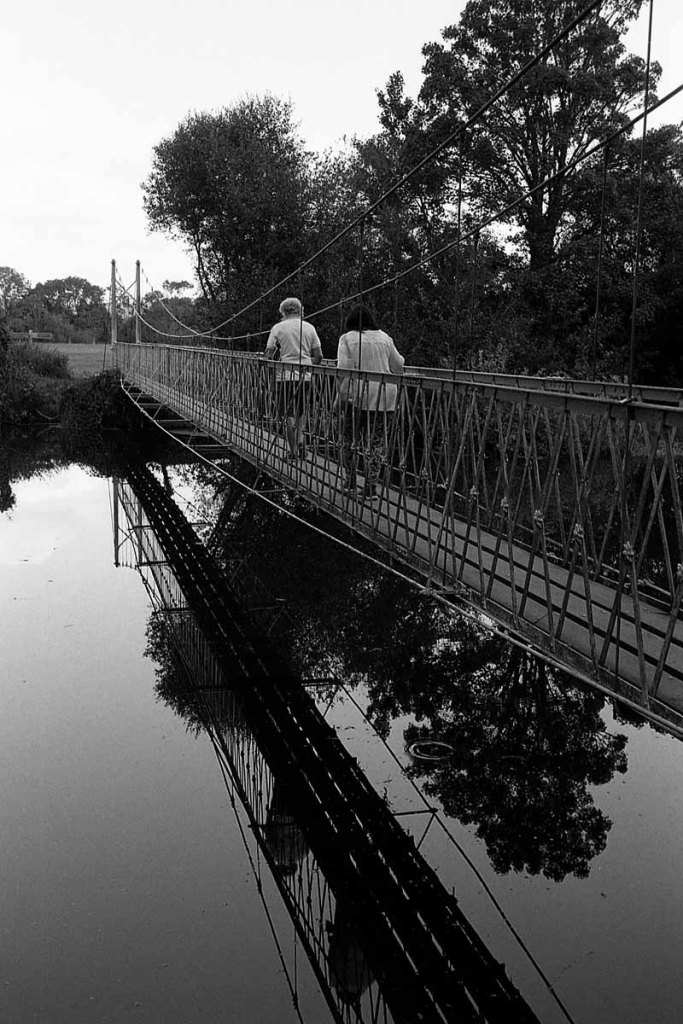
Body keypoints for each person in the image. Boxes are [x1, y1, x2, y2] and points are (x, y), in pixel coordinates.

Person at [336, 304, 404, 500]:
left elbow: (343, 369)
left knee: (349, 439)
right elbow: (398, 365)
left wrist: (339, 398)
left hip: (359, 395)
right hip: (386, 395)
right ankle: (370, 488)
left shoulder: (347, 339)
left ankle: (350, 481)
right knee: (376, 443)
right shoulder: (385, 338)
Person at [264, 297, 323, 461]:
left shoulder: (278, 328)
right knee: (301, 412)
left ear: (283, 312)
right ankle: (301, 441)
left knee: (288, 415)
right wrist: (309, 370)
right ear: (300, 310)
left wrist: (266, 365)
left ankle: (293, 452)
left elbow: (268, 354)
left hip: (285, 377)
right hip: (305, 377)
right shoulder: (309, 328)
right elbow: (318, 355)